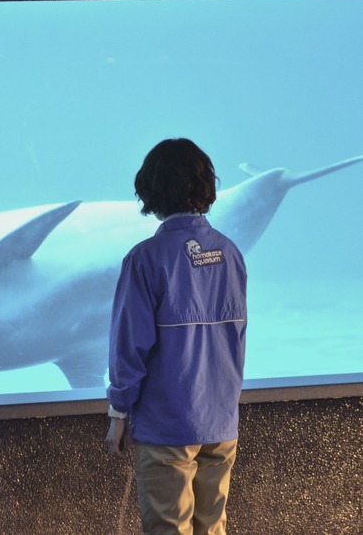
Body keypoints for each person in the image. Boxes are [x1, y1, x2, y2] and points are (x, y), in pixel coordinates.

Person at [104, 138, 247, 535]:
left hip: (167, 425)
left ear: (151, 191)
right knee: (212, 527)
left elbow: (129, 346)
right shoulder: (230, 253)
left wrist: (119, 411)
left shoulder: (145, 258)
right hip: (220, 421)